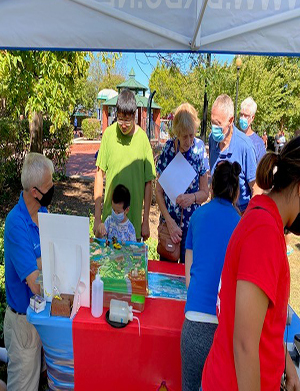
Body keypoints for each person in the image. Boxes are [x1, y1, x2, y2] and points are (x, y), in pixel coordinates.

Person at [201, 136, 300, 391]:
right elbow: (245, 344)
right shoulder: (264, 232)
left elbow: (260, 321)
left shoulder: (264, 219)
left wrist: (286, 364)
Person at [181, 160, 241, 391]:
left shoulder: (198, 217)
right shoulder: (241, 224)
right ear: (236, 191)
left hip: (195, 321)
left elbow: (189, 276)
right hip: (226, 325)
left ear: (212, 188)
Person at [4, 152, 54, 391]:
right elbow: (35, 283)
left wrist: (41, 260)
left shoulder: (42, 214)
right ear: (35, 191)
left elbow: (50, 257)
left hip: (40, 316)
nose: (53, 186)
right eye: (49, 184)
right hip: (23, 323)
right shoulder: (16, 223)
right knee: (23, 385)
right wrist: (48, 259)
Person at [94, 88, 156, 241]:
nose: (123, 124)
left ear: (134, 115)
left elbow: (149, 183)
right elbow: (99, 174)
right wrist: (97, 218)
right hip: (109, 223)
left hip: (132, 225)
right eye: (120, 118)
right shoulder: (109, 135)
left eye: (127, 120)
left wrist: (145, 220)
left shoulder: (142, 140)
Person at [156, 103, 209, 263]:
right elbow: (158, 191)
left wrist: (191, 198)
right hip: (169, 226)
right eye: (184, 136)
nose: (189, 141)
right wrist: (170, 222)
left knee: (187, 277)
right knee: (166, 276)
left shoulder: (199, 150)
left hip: (192, 227)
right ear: (177, 133)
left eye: (192, 135)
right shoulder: (168, 150)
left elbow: (205, 193)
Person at [209, 94, 257, 213]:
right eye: (212, 122)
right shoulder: (212, 139)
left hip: (240, 214)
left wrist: (245, 218)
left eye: (218, 123)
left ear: (230, 121)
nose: (214, 128)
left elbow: (256, 189)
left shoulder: (245, 146)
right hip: (218, 210)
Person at [239, 97, 266, 163]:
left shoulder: (258, 144)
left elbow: (261, 169)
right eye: (241, 114)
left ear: (252, 118)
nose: (242, 118)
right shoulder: (234, 137)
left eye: (246, 116)